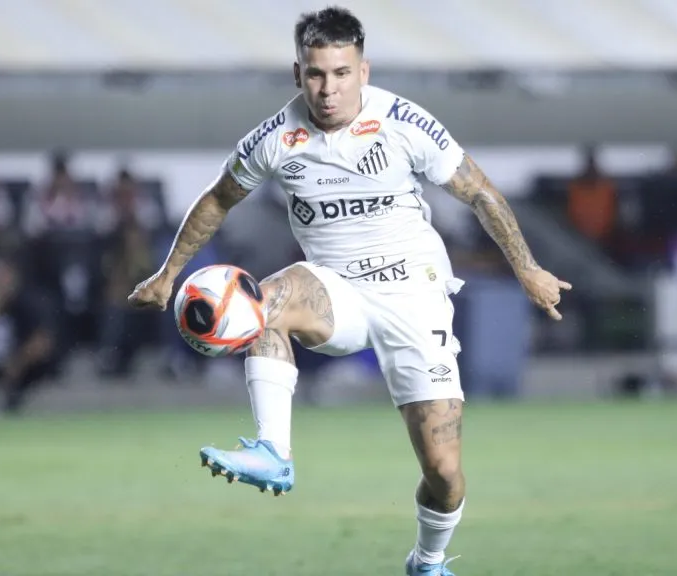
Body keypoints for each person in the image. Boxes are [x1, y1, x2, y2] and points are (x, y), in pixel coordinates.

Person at [128, 7, 571, 575]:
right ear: (297, 74)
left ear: (363, 70)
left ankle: (427, 562)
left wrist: (527, 267)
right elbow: (217, 199)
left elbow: (480, 191)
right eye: (316, 74)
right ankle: (274, 452)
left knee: (443, 469)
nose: (328, 89)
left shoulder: (405, 123)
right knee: (267, 301)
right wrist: (169, 275)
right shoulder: (276, 138)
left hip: (415, 295)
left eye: (341, 73)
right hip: (338, 290)